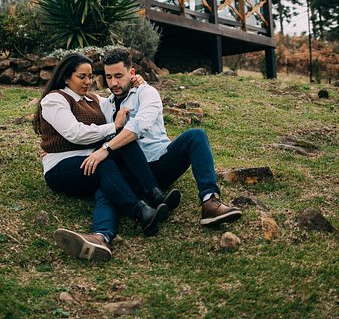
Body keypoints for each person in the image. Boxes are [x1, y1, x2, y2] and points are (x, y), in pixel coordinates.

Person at [33, 52, 179, 262]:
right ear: (66, 77)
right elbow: (75, 133)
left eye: (90, 76)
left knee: (120, 146)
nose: (87, 82)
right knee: (105, 162)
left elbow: (117, 98)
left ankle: (150, 197)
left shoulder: (93, 99)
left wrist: (138, 82)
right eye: (81, 77)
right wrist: (113, 126)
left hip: (91, 159)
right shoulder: (55, 99)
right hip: (61, 166)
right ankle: (141, 212)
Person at [98, 47, 243, 227]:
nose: (113, 83)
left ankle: (210, 202)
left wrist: (108, 146)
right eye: (109, 77)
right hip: (132, 172)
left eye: (119, 76)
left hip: (160, 162)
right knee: (107, 181)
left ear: (132, 72)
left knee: (196, 135)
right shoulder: (105, 105)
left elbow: (140, 126)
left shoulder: (146, 93)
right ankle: (110, 228)